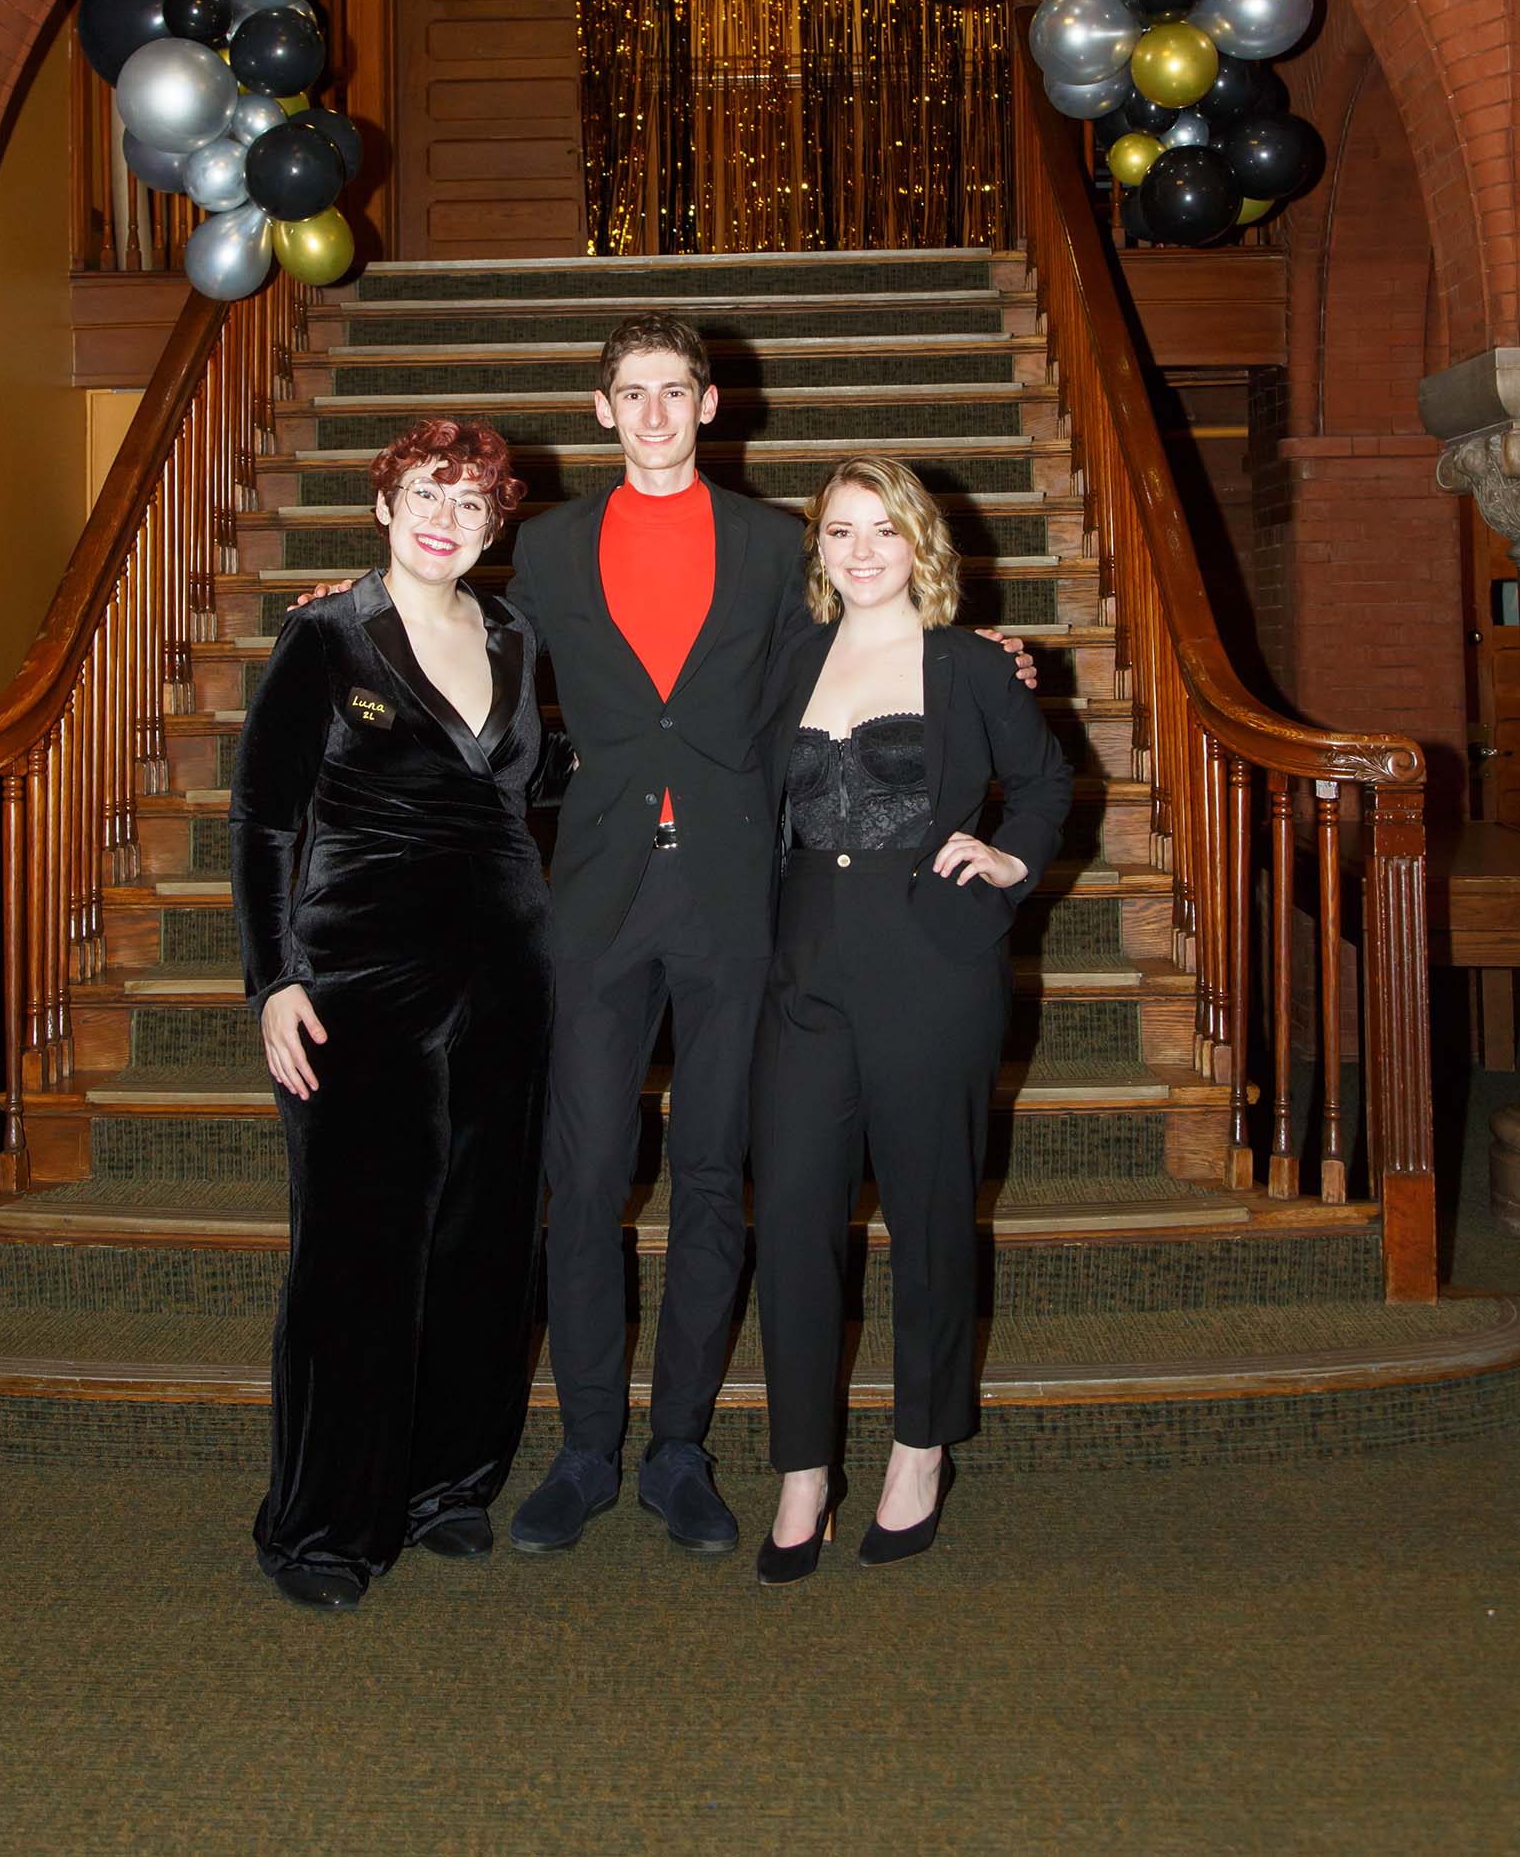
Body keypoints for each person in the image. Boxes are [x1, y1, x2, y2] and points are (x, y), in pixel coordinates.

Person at [302, 314, 1035, 1559]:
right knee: (580, 1181)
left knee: (707, 1176)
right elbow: (448, 604)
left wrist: (985, 658)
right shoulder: (544, 544)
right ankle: (585, 1446)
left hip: (739, 902)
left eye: (671, 392)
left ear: (708, 407)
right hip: (591, 898)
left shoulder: (770, 545)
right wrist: (352, 601)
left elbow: (866, 637)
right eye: (627, 393)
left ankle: (678, 1449)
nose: (650, 413)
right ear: (600, 411)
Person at [230, 415, 561, 1609]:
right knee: (356, 1248)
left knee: (483, 1233)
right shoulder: (325, 633)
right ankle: (322, 1527)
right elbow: (265, 824)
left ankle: (445, 1481)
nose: (445, 518)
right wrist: (273, 982)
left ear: (491, 527)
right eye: (427, 492)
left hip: (511, 976)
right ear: (381, 505)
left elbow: (534, 786)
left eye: (472, 504)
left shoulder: (518, 634)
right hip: (357, 979)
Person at [749, 455, 1072, 1586]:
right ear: (820, 551)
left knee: (929, 1212)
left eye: (883, 528)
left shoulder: (967, 665)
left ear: (918, 543)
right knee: (789, 1214)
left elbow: (1043, 785)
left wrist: (1009, 855)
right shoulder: (787, 657)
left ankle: (919, 1447)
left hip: (930, 960)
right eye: (840, 531)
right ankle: (800, 1468)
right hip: (801, 965)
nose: (862, 549)